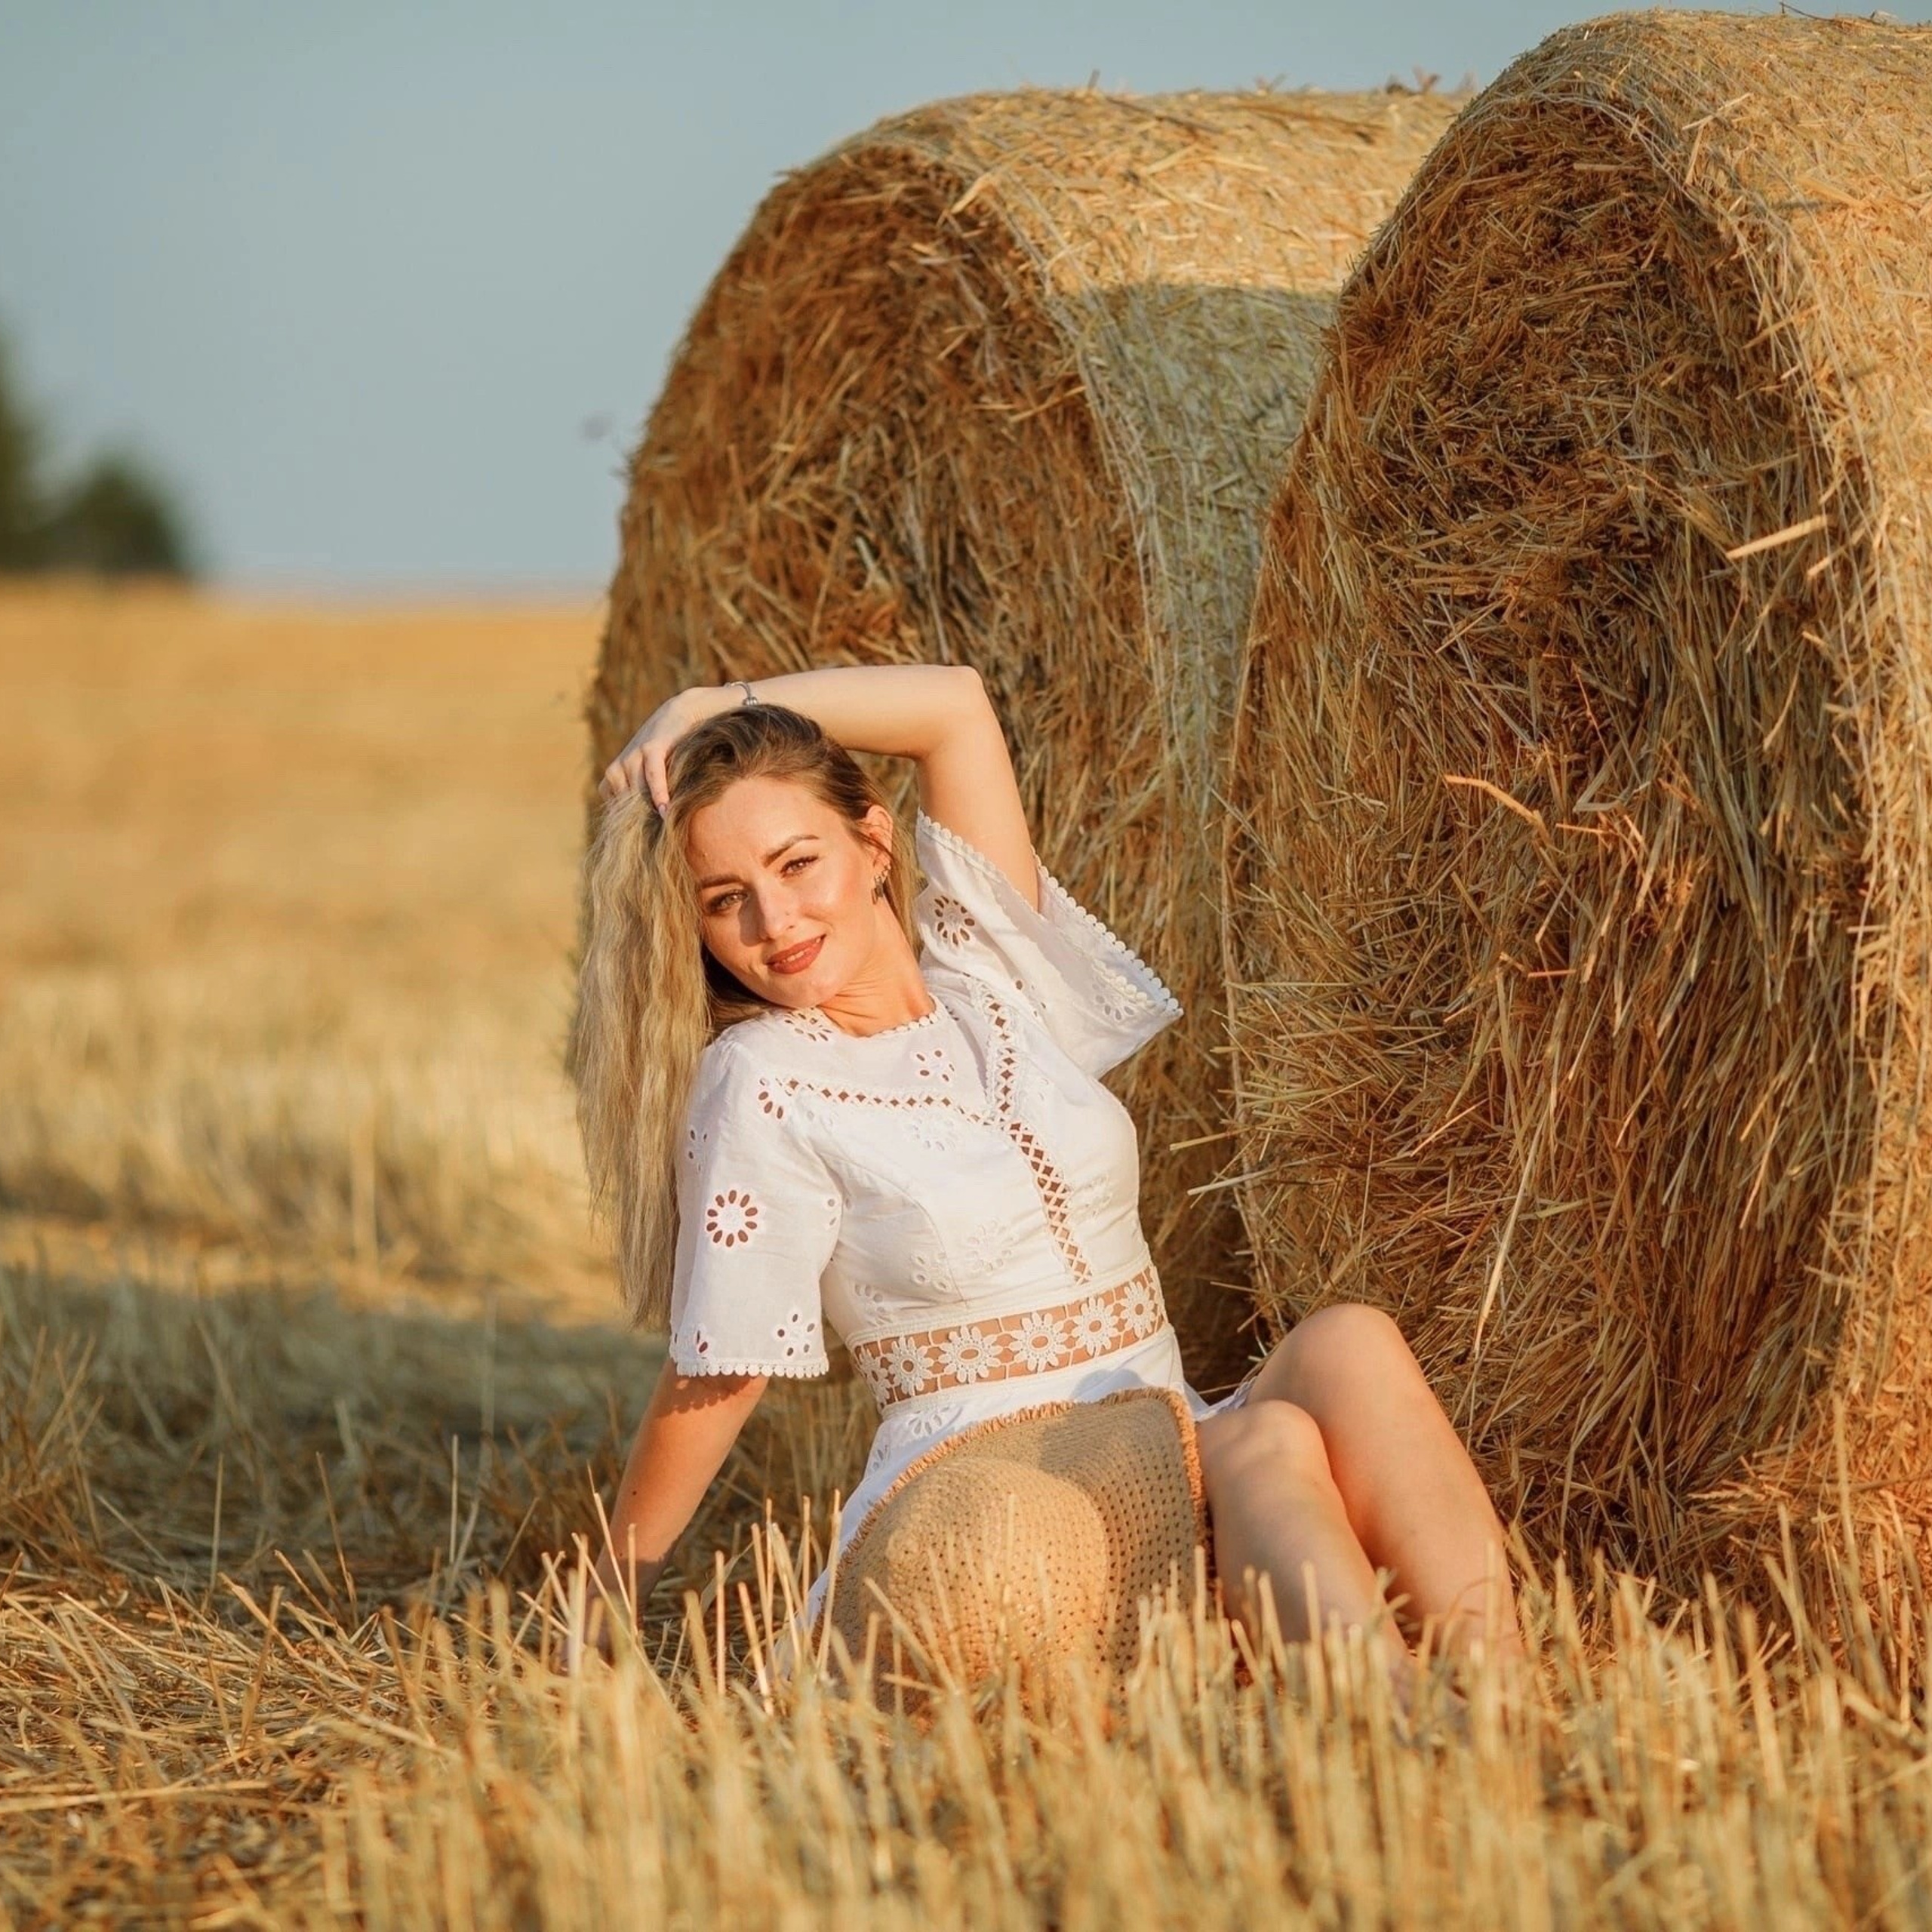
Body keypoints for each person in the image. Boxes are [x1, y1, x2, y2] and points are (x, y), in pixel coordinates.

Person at [567, 662, 1521, 1681]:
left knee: (1349, 1345)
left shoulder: (992, 976)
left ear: (874, 842)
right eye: (726, 900)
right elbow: (724, 1361)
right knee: (1268, 1441)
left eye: (798, 863)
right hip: (999, 1479)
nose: (775, 923)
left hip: (1166, 1424)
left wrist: (718, 707)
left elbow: (954, 707)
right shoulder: (761, 1080)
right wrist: (607, 1599)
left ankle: (1499, 1703)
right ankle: (1405, 1727)